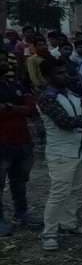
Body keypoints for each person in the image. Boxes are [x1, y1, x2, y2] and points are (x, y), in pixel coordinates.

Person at [38, 57, 82, 251]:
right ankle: (49, 233)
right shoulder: (47, 98)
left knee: (74, 189)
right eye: (59, 73)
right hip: (61, 152)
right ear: (47, 77)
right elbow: (64, 122)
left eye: (65, 72)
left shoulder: (71, 94)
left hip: (79, 148)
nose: (65, 76)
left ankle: (69, 224)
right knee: (59, 193)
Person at [0, 50, 38, 236]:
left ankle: (21, 213)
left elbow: (31, 107)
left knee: (20, 181)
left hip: (22, 140)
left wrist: (9, 107)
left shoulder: (15, 84)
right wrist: (18, 108)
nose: (3, 62)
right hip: (2, 142)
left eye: (3, 58)